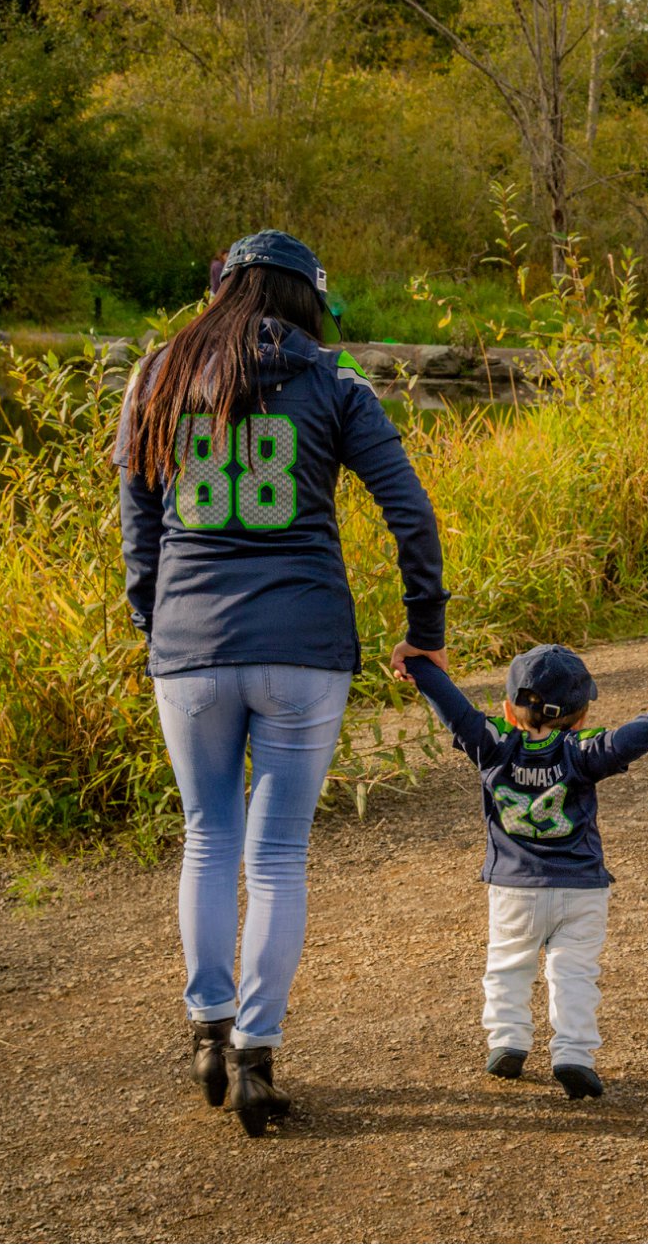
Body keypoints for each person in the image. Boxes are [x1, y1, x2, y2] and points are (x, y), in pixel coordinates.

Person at [118, 228, 448, 1137]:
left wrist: (156, 625)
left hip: (188, 647)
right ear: (308, 298)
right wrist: (426, 631)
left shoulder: (156, 375)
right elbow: (409, 514)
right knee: (274, 858)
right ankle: (258, 1055)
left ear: (222, 286)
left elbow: (138, 525)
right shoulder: (336, 381)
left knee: (206, 838)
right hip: (303, 644)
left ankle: (204, 1032)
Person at [399, 645, 648, 1100]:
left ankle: (508, 1040)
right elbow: (627, 739)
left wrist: (417, 665)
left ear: (509, 709)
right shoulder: (582, 751)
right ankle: (573, 1053)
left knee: (507, 967)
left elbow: (455, 710)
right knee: (574, 973)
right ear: (582, 715)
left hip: (514, 888)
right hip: (581, 889)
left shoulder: (492, 744)